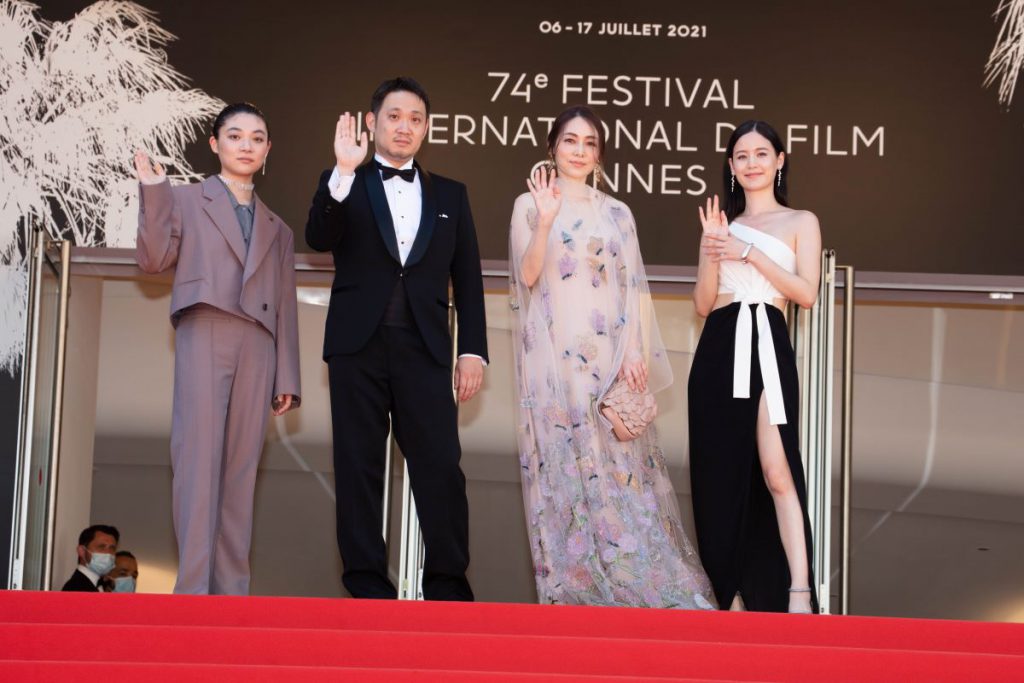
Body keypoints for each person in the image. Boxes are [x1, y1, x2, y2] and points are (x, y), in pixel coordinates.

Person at [508, 105, 716, 609]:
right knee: (562, 463)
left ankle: (635, 582)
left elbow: (633, 288)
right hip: (552, 361)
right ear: (552, 146)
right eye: (570, 141)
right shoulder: (529, 204)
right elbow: (527, 275)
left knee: (619, 462)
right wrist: (546, 221)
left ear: (599, 154)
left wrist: (635, 351)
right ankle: (574, 587)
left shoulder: (618, 212)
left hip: (609, 357)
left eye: (590, 143)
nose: (579, 151)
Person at [305, 77, 487, 601]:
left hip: (426, 349)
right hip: (356, 347)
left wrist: (472, 350)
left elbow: (467, 278)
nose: (404, 127)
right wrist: (342, 172)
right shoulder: (343, 181)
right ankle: (366, 584)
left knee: (441, 466)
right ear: (372, 122)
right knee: (358, 464)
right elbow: (318, 236)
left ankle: (448, 585)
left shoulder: (452, 194)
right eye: (394, 116)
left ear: (426, 128)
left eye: (415, 119)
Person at [135, 102, 301, 595]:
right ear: (215, 144)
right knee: (197, 461)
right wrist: (153, 189)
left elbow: (286, 303)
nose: (246, 145)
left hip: (259, 343)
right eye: (235, 136)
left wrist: (287, 376)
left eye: (257, 138)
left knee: (241, 469)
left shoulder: (278, 227)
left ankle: (231, 593)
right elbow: (153, 259)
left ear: (268, 150)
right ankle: (192, 590)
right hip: (205, 326)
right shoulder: (186, 199)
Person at [688, 120, 822, 614]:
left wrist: (748, 253)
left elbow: (806, 293)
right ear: (731, 166)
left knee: (777, 469)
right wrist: (713, 249)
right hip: (720, 348)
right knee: (721, 476)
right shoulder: (721, 225)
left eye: (762, 153)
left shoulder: (801, 221)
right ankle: (731, 595)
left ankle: (798, 590)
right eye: (742, 156)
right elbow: (703, 304)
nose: (752, 163)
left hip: (768, 340)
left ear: (779, 160)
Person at [61, 525, 119, 592]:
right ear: (82, 551)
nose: (108, 553)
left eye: (112, 548)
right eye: (101, 547)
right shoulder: (75, 588)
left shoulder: (103, 585)